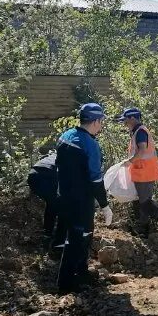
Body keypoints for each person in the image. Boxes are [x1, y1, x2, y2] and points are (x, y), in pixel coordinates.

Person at [54, 103, 113, 294]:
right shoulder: (90, 145)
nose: (101, 125)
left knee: (83, 234)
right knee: (76, 239)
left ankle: (82, 273)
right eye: (101, 121)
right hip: (81, 199)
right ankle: (65, 285)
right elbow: (96, 179)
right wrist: (104, 205)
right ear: (95, 121)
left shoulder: (65, 136)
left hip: (63, 195)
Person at [117, 107, 158, 235]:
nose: (124, 123)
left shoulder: (141, 132)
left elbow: (142, 150)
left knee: (145, 203)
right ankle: (143, 230)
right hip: (140, 172)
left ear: (132, 118)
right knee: (139, 202)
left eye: (125, 120)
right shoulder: (137, 131)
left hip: (145, 173)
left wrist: (129, 162)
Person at [27, 151, 67, 253]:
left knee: (52, 204)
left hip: (32, 176)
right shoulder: (66, 159)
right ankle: (55, 242)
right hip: (48, 176)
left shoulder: (51, 155)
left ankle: (48, 233)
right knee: (59, 207)